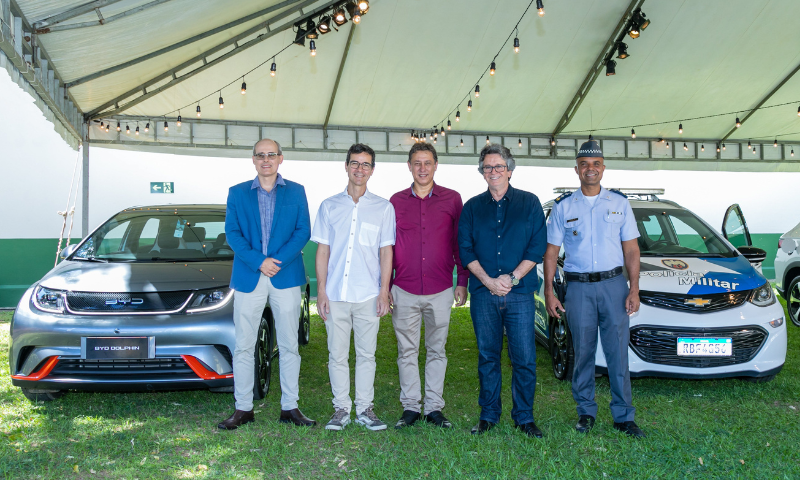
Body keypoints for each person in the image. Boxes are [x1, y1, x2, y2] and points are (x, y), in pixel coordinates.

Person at [543, 139, 645, 438]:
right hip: (579, 289)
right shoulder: (564, 207)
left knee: (617, 353)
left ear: (603, 168)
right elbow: (551, 253)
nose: (591, 169)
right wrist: (549, 291)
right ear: (577, 170)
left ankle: (623, 416)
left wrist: (634, 288)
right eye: (585, 165)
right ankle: (585, 412)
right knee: (583, 352)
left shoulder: (619, 203)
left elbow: (632, 251)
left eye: (596, 164)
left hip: (614, 286)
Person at [218, 138, 313, 430]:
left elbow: (303, 231)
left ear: (281, 158)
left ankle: (290, 407)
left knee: (288, 345)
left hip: (285, 276)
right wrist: (260, 261)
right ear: (254, 159)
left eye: (271, 154)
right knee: (245, 346)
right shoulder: (237, 193)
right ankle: (243, 408)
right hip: (250, 275)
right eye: (260, 155)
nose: (266, 159)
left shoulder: (296, 191)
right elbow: (232, 234)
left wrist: (276, 261)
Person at [457, 143, 547, 438]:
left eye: (498, 166)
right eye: (487, 167)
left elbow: (537, 247)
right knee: (487, 356)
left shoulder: (530, 203)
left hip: (519, 294)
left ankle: (524, 417)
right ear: (481, 172)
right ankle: (488, 415)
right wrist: (488, 281)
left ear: (510, 169)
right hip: (484, 295)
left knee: (524, 358)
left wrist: (511, 278)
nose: (493, 172)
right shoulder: (471, 207)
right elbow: (465, 249)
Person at [312, 143, 396, 432]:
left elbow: (386, 252)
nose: (360, 169)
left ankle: (364, 408)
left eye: (366, 164)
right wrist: (321, 290)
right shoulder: (329, 206)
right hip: (335, 294)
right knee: (336, 354)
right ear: (346, 166)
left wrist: (384, 290)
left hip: (368, 294)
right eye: (355, 163)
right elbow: (322, 251)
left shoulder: (384, 208)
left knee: (367, 354)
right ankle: (340, 409)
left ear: (372, 170)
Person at [389, 142, 469, 430]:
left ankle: (434, 407)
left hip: (440, 289)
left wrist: (462, 281)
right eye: (417, 163)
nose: (422, 168)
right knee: (406, 351)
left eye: (427, 162)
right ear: (409, 166)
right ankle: (410, 407)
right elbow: (387, 247)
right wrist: (386, 287)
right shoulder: (395, 201)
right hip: (404, 289)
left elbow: (460, 244)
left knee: (437, 350)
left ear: (436, 165)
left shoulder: (452, 199)